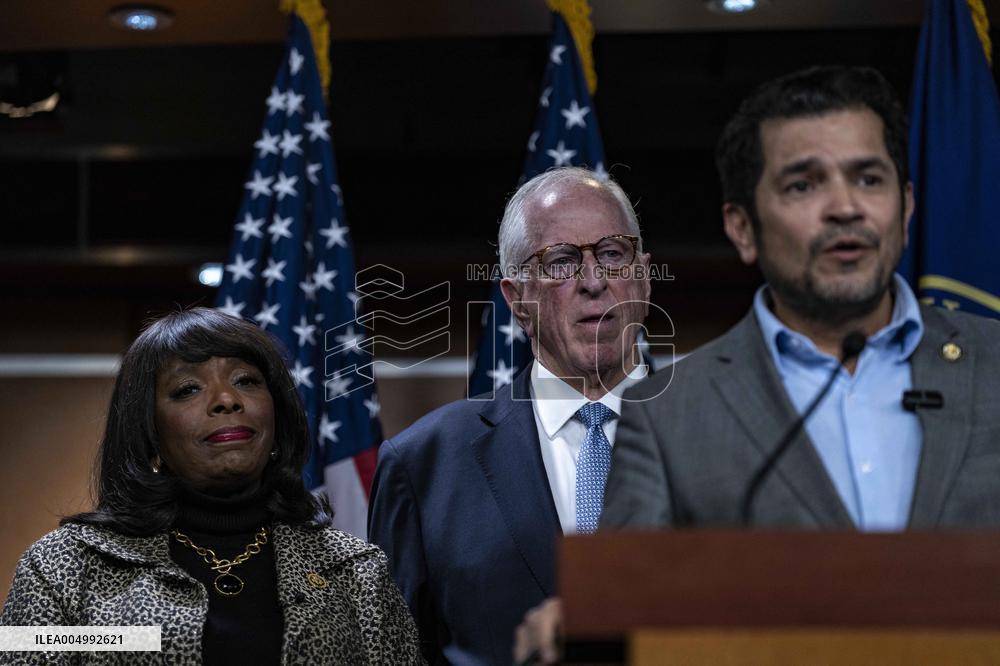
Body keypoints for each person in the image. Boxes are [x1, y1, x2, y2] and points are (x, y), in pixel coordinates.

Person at [513, 65, 1000, 661]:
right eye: (803, 185)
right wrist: (589, 621)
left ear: (906, 204)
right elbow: (626, 612)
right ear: (742, 229)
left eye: (869, 178)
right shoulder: (667, 415)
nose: (845, 207)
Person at [1, 308, 422, 665]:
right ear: (149, 432)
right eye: (188, 389)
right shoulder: (65, 566)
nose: (226, 400)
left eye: (247, 381)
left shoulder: (355, 571)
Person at [368, 166, 652, 664]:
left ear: (644, 275)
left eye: (612, 253)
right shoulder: (424, 464)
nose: (594, 281)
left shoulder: (729, 435)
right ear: (517, 300)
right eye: (561, 262)